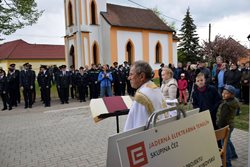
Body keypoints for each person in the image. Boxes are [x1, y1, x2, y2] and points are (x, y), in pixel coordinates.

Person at [124, 61, 167, 131]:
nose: (129, 78)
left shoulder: (141, 96)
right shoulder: (155, 87)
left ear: (142, 76)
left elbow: (137, 128)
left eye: (131, 74)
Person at [217, 85, 239, 167]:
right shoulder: (233, 101)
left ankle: (228, 163)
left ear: (232, 95)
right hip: (231, 124)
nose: (223, 94)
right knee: (228, 140)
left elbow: (222, 118)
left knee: (224, 143)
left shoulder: (226, 105)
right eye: (223, 92)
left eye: (226, 93)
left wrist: (219, 126)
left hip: (226, 126)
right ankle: (233, 155)